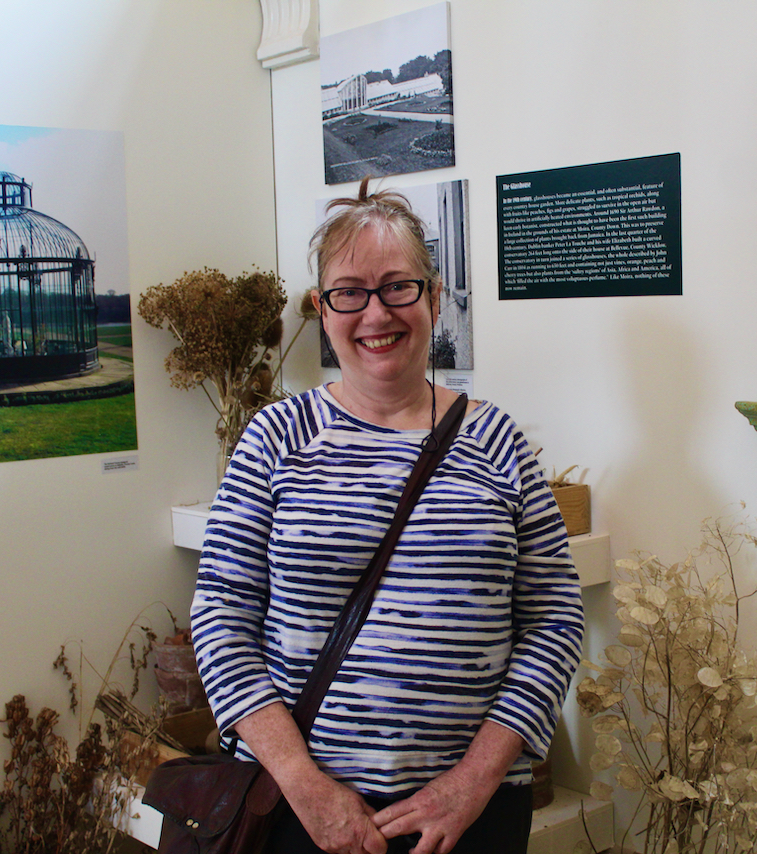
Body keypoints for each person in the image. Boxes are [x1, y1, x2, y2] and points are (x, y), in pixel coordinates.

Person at [190, 178, 584, 854]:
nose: (376, 314)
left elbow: (554, 619)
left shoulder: (498, 441)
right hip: (300, 814)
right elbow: (222, 621)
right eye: (349, 293)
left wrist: (473, 781)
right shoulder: (276, 439)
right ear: (322, 309)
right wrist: (305, 787)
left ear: (434, 297)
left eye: (398, 287)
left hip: (470, 818)